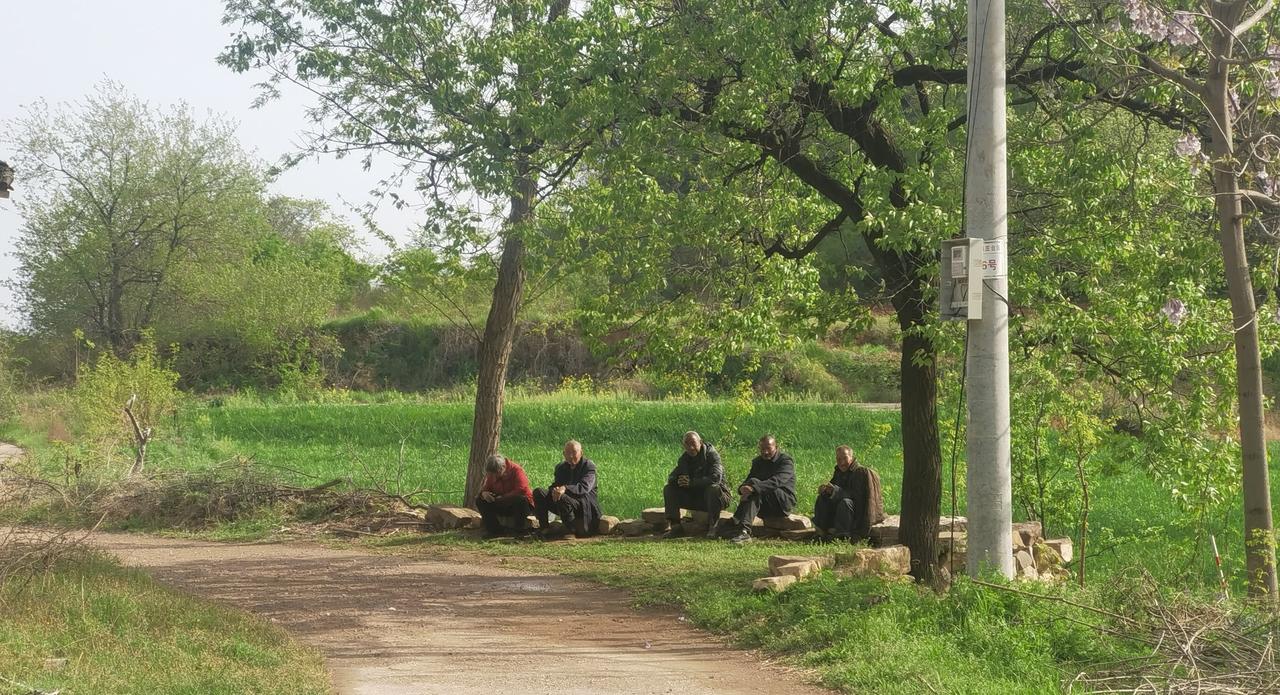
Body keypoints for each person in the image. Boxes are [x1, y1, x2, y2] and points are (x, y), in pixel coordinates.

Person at [723, 435, 797, 544]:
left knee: (756, 486)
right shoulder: (757, 462)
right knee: (754, 483)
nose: (765, 452)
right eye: (762, 449)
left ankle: (739, 524)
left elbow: (776, 481)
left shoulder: (785, 461)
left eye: (769, 449)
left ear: (776, 447)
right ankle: (741, 529)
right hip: (763, 503)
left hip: (782, 502)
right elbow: (749, 480)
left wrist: (753, 489)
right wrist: (742, 489)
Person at [659, 431, 731, 539]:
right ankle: (676, 527)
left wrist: (692, 483)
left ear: (700, 442)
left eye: (693, 443)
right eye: (687, 445)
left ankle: (713, 527)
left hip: (717, 497)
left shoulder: (712, 455)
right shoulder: (684, 459)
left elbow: (715, 478)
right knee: (669, 489)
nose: (691, 448)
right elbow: (671, 478)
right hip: (696, 497)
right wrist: (678, 480)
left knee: (713, 488)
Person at [812, 446, 885, 542]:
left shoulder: (860, 472)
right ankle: (822, 531)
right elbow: (833, 490)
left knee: (845, 503)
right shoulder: (839, 472)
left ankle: (842, 535)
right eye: (839, 459)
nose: (842, 462)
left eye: (845, 458)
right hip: (841, 511)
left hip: (857, 514)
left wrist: (835, 491)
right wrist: (826, 490)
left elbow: (857, 497)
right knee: (822, 498)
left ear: (851, 457)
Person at [533, 440, 602, 538]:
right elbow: (557, 484)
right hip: (563, 501)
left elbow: (584, 487)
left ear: (581, 452)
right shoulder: (561, 467)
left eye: (574, 452)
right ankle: (544, 528)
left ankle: (570, 530)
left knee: (563, 497)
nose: (571, 456)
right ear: (564, 454)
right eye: (568, 453)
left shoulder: (589, 466)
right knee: (539, 492)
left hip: (583, 503)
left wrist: (565, 488)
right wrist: (555, 490)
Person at [475, 453, 535, 539]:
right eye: (492, 475)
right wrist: (484, 494)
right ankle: (495, 530)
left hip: (520, 506)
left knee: (520, 500)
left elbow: (521, 489)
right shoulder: (492, 475)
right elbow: (486, 488)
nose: (494, 477)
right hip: (502, 503)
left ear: (503, 468)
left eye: (496, 474)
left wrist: (503, 497)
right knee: (480, 500)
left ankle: (518, 531)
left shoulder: (517, 470)